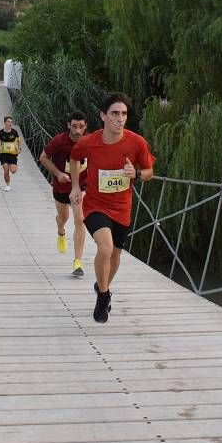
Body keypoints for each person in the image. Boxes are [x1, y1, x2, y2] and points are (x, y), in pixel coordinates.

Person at [71, 93, 155, 323]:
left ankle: (101, 286)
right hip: (95, 205)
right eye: (115, 113)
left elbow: (149, 172)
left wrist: (136, 173)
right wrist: (76, 187)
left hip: (122, 208)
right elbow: (74, 158)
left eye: (124, 114)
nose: (120, 119)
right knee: (105, 247)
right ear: (103, 116)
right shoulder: (89, 141)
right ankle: (104, 296)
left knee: (115, 256)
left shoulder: (137, 142)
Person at [40, 111, 89, 276]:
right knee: (64, 218)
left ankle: (77, 262)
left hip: (81, 186)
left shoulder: (90, 141)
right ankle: (60, 230)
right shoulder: (59, 141)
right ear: (69, 125)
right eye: (74, 126)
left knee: (79, 219)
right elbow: (43, 158)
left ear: (86, 127)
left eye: (81, 127)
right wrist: (58, 173)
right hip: (61, 187)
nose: (77, 130)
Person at [0, 116, 21, 192]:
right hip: (3, 154)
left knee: (13, 171)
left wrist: (19, 148)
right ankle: (8, 185)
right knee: (6, 169)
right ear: (5, 123)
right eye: (8, 122)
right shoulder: (0, 132)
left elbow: (18, 141)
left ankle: (15, 165)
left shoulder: (14, 132)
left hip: (12, 154)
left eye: (11, 122)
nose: (10, 123)